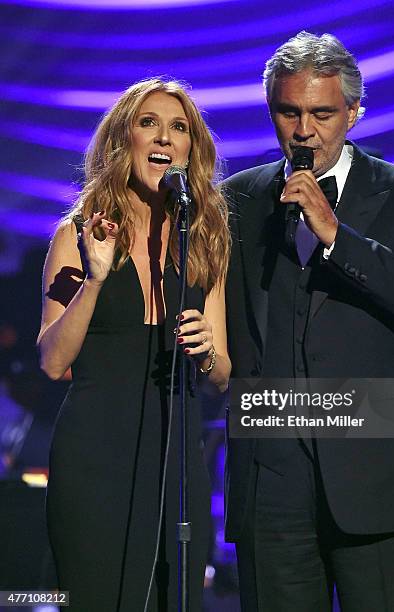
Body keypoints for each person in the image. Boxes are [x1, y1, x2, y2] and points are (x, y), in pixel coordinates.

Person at [223, 32, 394, 611]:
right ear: (272, 112)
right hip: (273, 482)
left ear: (354, 112)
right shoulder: (236, 201)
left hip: (379, 481)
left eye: (322, 112)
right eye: (289, 112)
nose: (304, 130)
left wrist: (336, 236)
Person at [37, 77, 231, 611]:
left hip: (176, 462)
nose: (164, 138)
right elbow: (53, 362)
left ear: (192, 148)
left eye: (178, 127)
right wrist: (96, 279)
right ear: (125, 140)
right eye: (149, 124)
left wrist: (209, 349)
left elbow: (222, 374)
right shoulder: (79, 233)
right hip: (94, 460)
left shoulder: (205, 235)